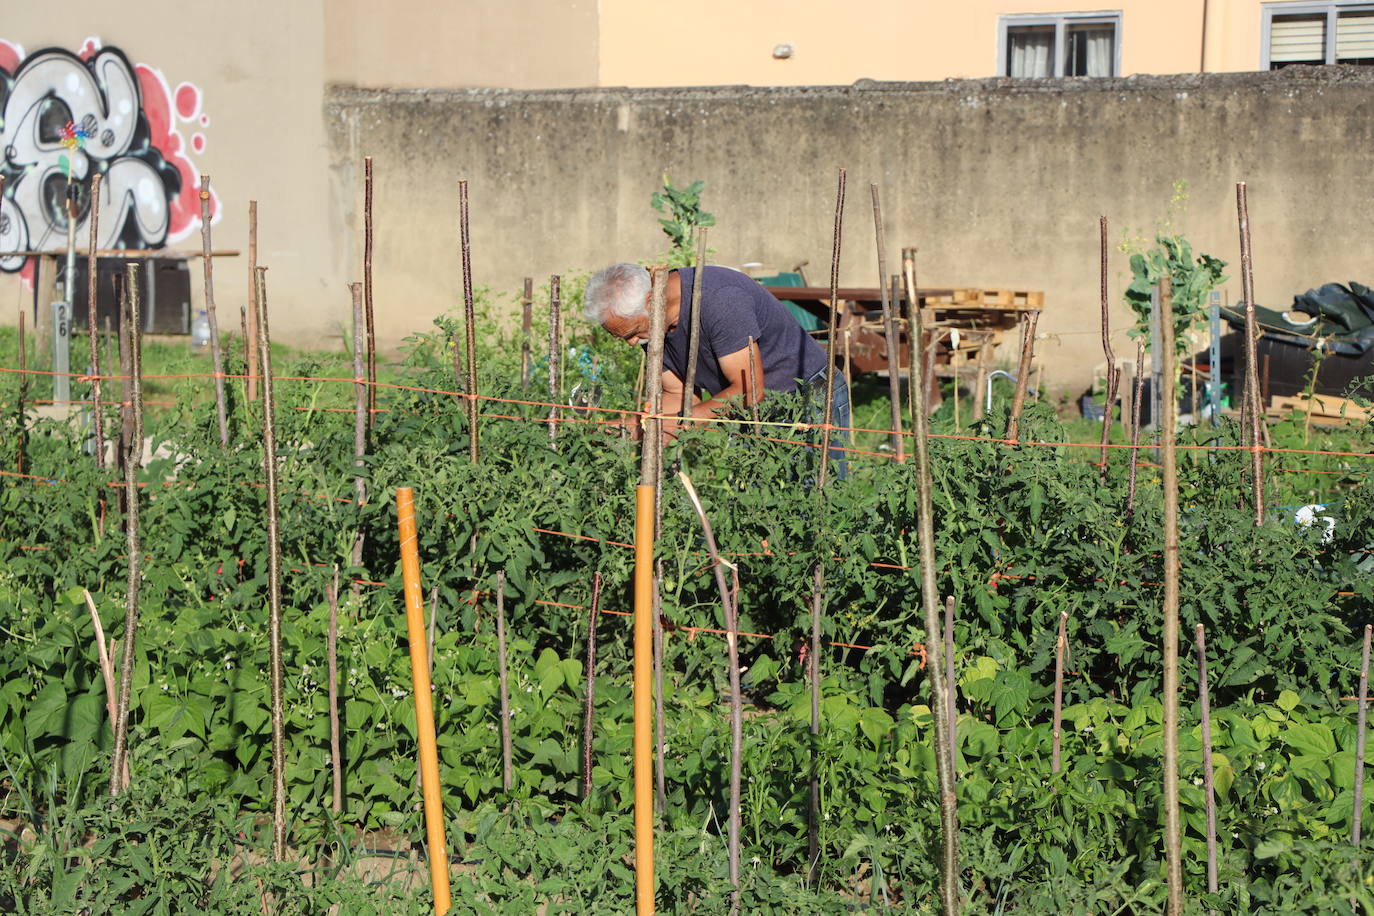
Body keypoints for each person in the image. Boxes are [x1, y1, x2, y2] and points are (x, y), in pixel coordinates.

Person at [582, 262, 849, 471]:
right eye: (623, 336)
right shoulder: (650, 325)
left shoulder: (718, 300)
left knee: (815, 506)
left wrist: (677, 424)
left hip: (806, 398)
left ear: (652, 301)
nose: (632, 343)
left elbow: (749, 390)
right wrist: (623, 429)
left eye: (633, 333)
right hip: (751, 414)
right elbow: (678, 395)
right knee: (756, 514)